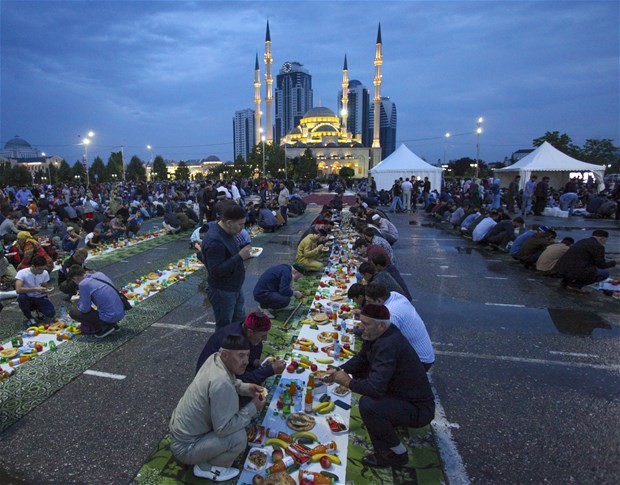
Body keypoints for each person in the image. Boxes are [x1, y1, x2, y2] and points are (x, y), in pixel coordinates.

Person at [324, 304, 435, 468]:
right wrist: (339, 370)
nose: (361, 327)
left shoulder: (388, 345)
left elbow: (375, 389)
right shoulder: (380, 333)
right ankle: (391, 419)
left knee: (368, 405)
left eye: (365, 324)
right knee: (362, 374)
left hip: (418, 409)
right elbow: (362, 358)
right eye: (360, 322)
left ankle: (395, 454)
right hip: (403, 395)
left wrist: (347, 382)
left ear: (381, 325)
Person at [170, 335, 266, 482]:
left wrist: (246, 388)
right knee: (239, 437)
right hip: (187, 448)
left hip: (182, 435)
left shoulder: (215, 359)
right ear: (225, 355)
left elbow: (231, 380)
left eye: (247, 355)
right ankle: (207, 468)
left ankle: (206, 456)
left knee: (235, 427)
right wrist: (253, 407)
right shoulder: (221, 384)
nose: (246, 361)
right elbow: (224, 429)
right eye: (241, 356)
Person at [195, 312, 286, 383]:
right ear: (250, 332)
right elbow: (238, 380)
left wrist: (256, 362)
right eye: (262, 336)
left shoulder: (245, 330)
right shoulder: (234, 343)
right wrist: (270, 370)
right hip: (210, 379)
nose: (265, 339)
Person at [202, 203, 252, 328]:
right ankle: (222, 346)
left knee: (239, 320)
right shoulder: (215, 241)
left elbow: (228, 254)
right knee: (224, 326)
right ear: (229, 222)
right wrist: (240, 256)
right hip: (222, 291)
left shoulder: (227, 231)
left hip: (234, 286)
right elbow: (216, 271)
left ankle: (236, 345)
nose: (242, 228)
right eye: (240, 224)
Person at [365, 283, 434, 370]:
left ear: (379, 301)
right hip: (424, 354)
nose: (367, 305)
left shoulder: (391, 314)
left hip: (419, 361)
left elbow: (384, 343)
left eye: (369, 302)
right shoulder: (394, 295)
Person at [67, 265, 126, 337]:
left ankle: (104, 326)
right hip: (121, 312)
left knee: (73, 312)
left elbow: (85, 309)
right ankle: (112, 324)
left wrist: (78, 302)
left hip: (110, 317)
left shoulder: (83, 284)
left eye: (73, 280)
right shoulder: (99, 274)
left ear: (75, 278)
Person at [15, 255, 56, 326]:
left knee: (51, 313)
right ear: (33, 266)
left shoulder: (45, 273)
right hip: (28, 297)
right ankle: (29, 317)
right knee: (21, 297)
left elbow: (44, 286)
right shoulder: (22, 273)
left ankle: (39, 310)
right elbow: (18, 289)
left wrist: (47, 290)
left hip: (40, 296)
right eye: (39, 269)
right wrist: (34, 289)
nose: (41, 271)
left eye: (43, 269)